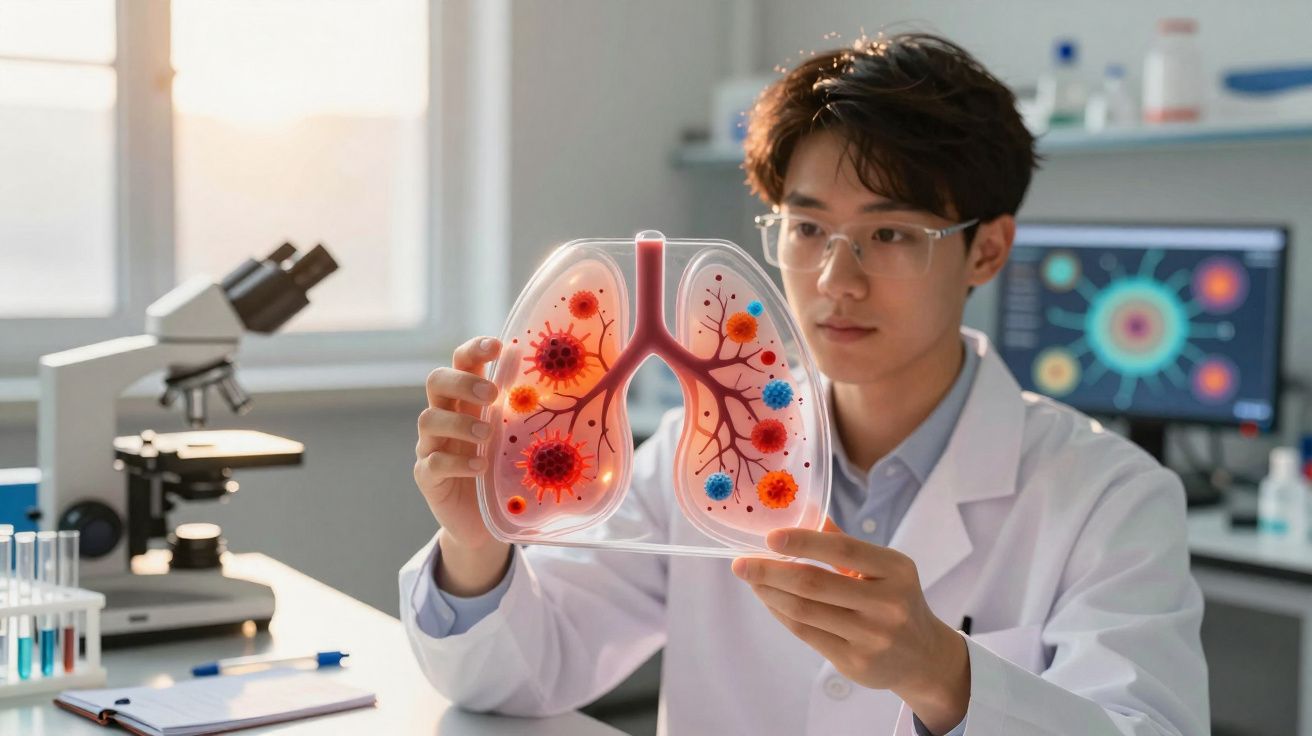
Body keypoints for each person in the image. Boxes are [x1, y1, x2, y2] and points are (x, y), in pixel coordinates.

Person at [399, 33, 1208, 735]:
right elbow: (514, 678)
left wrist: (947, 677)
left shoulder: (1110, 497)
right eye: (808, 227)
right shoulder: (695, 454)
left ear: (988, 251)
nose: (834, 280)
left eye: (890, 234)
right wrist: (476, 545)